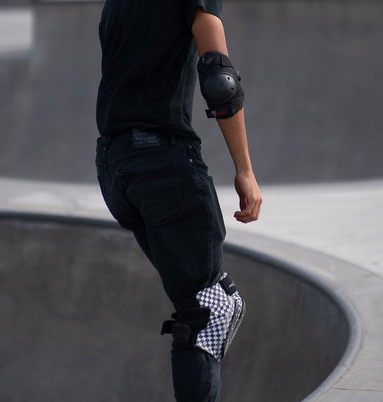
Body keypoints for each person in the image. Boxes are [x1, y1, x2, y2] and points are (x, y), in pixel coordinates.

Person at [95, 0, 262, 401]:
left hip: (115, 166)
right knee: (210, 313)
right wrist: (245, 169)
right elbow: (219, 77)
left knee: (203, 303)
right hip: (163, 165)